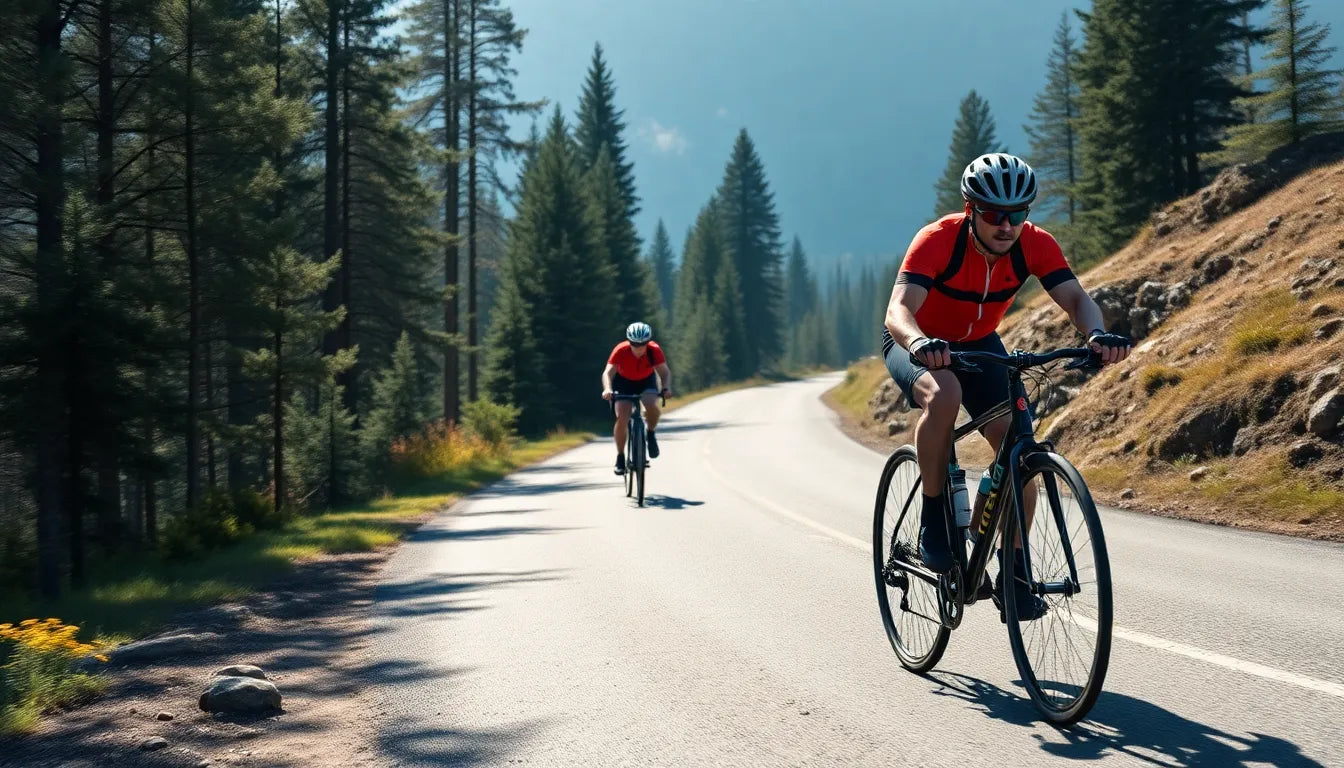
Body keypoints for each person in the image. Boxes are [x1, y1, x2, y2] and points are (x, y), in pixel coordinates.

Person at [881, 153, 1131, 619]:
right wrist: (918, 343)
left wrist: (1096, 335)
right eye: (994, 214)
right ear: (970, 209)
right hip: (916, 340)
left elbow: (1076, 298)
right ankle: (934, 518)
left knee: (1018, 449)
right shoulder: (938, 240)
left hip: (979, 343)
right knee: (945, 395)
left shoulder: (1034, 244)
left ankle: (1011, 569)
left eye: (1017, 214)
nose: (1006, 226)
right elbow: (899, 310)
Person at [602, 322, 674, 475]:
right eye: (634, 344)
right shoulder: (621, 350)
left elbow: (665, 372)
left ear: (648, 342)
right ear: (629, 341)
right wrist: (608, 389)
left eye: (643, 344)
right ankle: (620, 457)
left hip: (646, 381)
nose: (639, 347)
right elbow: (607, 373)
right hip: (623, 382)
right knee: (622, 416)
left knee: (651, 405)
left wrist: (666, 388)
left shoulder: (654, 350)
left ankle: (650, 433)